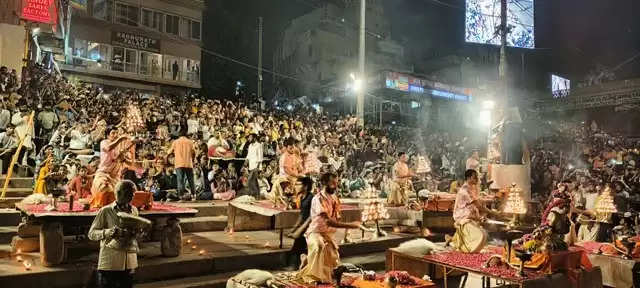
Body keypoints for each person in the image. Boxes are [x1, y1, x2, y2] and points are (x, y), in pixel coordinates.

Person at [296, 172, 363, 284]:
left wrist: (346, 232)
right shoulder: (318, 199)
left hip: (327, 234)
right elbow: (328, 221)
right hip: (315, 232)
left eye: (336, 183)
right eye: (332, 183)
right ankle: (311, 276)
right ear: (324, 183)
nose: (335, 185)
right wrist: (352, 225)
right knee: (319, 246)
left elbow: (336, 218)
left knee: (333, 259)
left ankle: (306, 259)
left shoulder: (335, 198)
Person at [88, 180, 139, 288]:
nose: (132, 196)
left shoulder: (134, 210)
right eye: (129, 193)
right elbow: (91, 233)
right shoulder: (105, 211)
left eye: (133, 193)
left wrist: (138, 232)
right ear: (118, 193)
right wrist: (108, 232)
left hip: (129, 261)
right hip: (110, 262)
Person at [448, 169, 497, 253]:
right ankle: (461, 244)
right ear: (469, 178)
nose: (477, 179)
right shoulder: (464, 191)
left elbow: (478, 202)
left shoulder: (472, 188)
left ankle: (453, 241)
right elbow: (478, 205)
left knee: (482, 234)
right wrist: (492, 212)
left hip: (472, 215)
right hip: (463, 216)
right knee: (481, 235)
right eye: (474, 177)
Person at [287, 177, 314, 269]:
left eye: (298, 184)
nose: (295, 187)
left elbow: (311, 216)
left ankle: (296, 267)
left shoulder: (311, 198)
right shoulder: (302, 197)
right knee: (299, 248)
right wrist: (293, 228)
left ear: (305, 187)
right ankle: (297, 267)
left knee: (299, 247)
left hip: (310, 227)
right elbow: (301, 215)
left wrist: (300, 230)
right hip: (304, 226)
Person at [167, 130, 196, 201]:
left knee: (180, 180)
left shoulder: (176, 142)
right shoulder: (190, 142)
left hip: (179, 163)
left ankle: (181, 196)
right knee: (191, 180)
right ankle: (193, 195)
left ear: (179, 136)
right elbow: (194, 152)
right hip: (189, 163)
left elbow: (169, 152)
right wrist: (193, 159)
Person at [245, 133, 263, 197]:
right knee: (255, 182)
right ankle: (258, 195)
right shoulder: (250, 146)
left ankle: (252, 195)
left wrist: (258, 167)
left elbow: (260, 157)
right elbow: (248, 156)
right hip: (251, 166)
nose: (249, 139)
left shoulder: (259, 145)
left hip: (256, 166)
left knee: (249, 181)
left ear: (254, 138)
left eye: (250, 137)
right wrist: (245, 163)